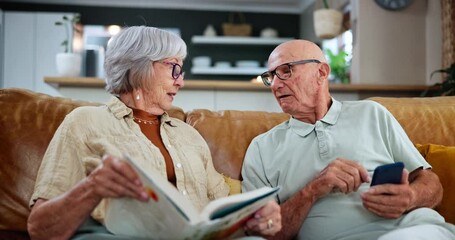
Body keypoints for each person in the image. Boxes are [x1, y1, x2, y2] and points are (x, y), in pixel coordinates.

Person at [27, 26, 281, 239]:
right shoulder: (85, 122)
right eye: (174, 68)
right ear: (139, 67)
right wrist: (92, 187)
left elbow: (222, 206)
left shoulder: (188, 135)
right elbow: (40, 229)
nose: (180, 81)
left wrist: (257, 216)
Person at [241, 39, 455, 240]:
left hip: (410, 230)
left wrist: (411, 197)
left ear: (322, 72)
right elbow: (262, 232)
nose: (275, 85)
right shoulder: (262, 148)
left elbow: (429, 182)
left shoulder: (371, 113)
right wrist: (313, 190)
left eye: (285, 71)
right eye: (270, 76)